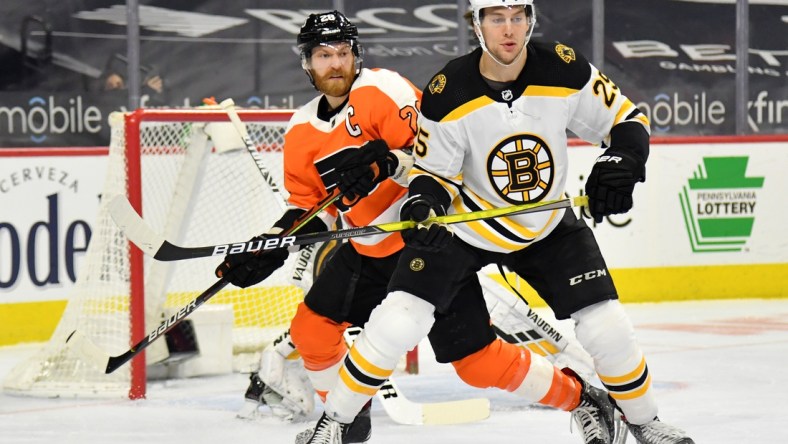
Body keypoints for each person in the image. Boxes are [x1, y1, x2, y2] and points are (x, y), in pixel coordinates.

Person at [302, 1, 695, 444]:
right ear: (477, 24)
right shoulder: (448, 88)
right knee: (397, 320)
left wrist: (623, 158)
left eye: (516, 17)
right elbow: (433, 173)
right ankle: (334, 423)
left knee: (606, 326)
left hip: (545, 222)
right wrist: (422, 206)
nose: (507, 30)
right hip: (465, 226)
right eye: (495, 18)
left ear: (530, 20)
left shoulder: (564, 68)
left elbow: (625, 120)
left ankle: (644, 423)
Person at [221, 10, 615, 444]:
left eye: (343, 52)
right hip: (367, 252)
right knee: (311, 329)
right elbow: (314, 210)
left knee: (477, 363)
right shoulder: (300, 131)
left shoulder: (384, 91)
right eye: (323, 55)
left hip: (425, 246)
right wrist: (276, 243)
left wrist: (387, 163)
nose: (335, 63)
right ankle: (347, 423)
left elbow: (441, 159)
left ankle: (581, 399)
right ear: (307, 63)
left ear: (356, 54)